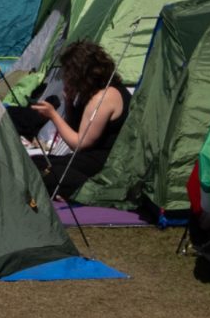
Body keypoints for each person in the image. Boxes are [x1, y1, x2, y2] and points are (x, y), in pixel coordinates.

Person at [17, 40, 128, 201]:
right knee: (36, 162)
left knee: (44, 172)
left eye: (67, 72)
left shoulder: (103, 98)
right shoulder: (93, 92)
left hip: (106, 166)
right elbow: (76, 132)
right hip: (89, 159)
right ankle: (67, 189)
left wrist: (53, 115)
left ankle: (77, 192)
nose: (65, 77)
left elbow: (79, 144)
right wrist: (69, 103)